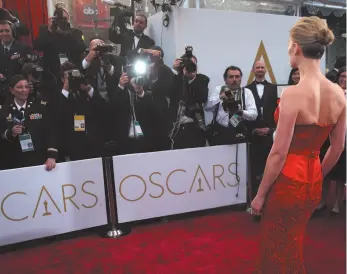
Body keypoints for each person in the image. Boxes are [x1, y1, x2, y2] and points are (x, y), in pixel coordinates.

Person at [251, 16, 346, 273]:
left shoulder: (292, 94)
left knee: (276, 247)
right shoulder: (339, 93)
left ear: (296, 47)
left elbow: (279, 153)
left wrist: (259, 195)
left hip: (285, 183)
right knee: (293, 242)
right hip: (312, 181)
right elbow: (337, 149)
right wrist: (316, 176)